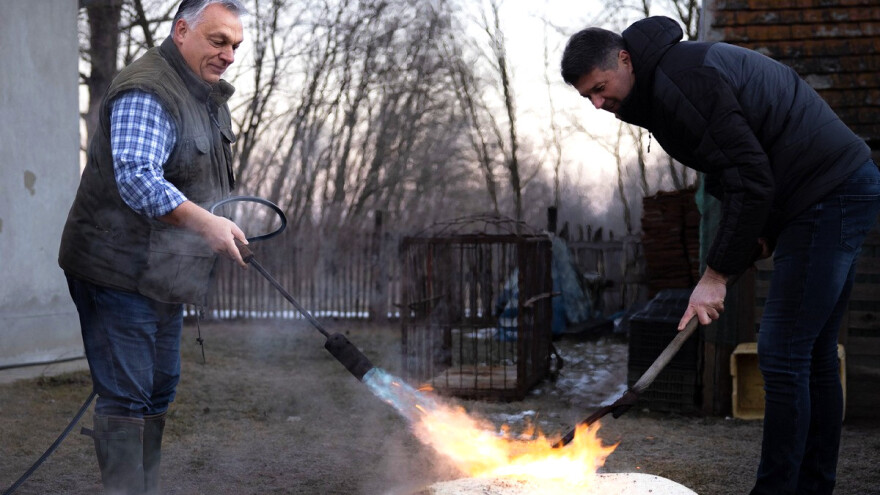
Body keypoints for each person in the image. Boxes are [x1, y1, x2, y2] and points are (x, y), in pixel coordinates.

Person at [561, 16, 880, 495]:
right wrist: (759, 236)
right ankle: (812, 487)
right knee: (810, 354)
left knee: (783, 352)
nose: (599, 104)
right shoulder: (668, 82)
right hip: (832, 187)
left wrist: (715, 274)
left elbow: (750, 177)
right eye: (589, 96)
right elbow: (737, 171)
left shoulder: (682, 83)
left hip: (825, 192)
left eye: (601, 88)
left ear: (625, 59)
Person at [58, 0, 248, 493]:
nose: (228, 55)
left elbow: (195, 177)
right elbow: (139, 181)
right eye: (218, 40)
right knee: (127, 396)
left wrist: (217, 222)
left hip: (162, 274)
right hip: (114, 270)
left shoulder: (205, 96)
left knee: (159, 388)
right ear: (182, 30)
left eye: (234, 46)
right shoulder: (148, 89)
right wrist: (207, 224)